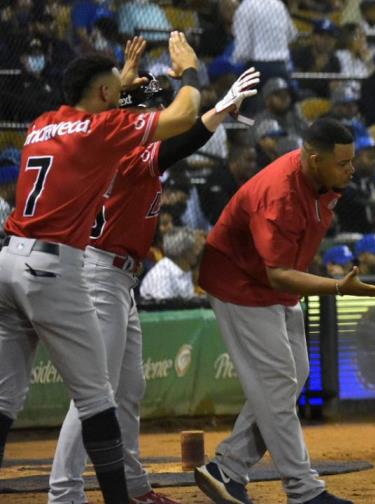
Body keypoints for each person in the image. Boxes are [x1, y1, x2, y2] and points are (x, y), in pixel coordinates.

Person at [0, 32, 202, 503]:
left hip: (8, 261)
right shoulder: (99, 132)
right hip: (53, 269)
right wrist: (189, 70)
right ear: (106, 95)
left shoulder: (42, 124)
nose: (123, 92)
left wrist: (130, 83)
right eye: (117, 86)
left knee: (5, 399)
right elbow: (185, 114)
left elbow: (107, 108)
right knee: (97, 399)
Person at [48, 63, 259, 504]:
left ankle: (132, 486)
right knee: (94, 392)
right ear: (131, 113)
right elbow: (182, 142)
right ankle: (64, 492)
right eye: (153, 108)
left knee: (128, 390)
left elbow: (175, 136)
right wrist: (216, 107)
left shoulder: (116, 138)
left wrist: (215, 107)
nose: (160, 113)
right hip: (98, 273)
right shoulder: (121, 147)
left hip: (119, 278)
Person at [194, 118, 375, 504]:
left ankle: (228, 467)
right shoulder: (280, 195)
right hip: (240, 283)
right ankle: (304, 491)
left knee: (293, 375)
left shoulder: (323, 178)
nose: (352, 169)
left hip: (272, 281)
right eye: (343, 163)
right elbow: (279, 274)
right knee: (278, 380)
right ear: (315, 160)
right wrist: (337, 287)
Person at [139, 227, 200, 301]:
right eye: (195, 248)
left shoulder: (183, 269)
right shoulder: (162, 276)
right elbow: (160, 310)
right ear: (183, 252)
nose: (198, 252)